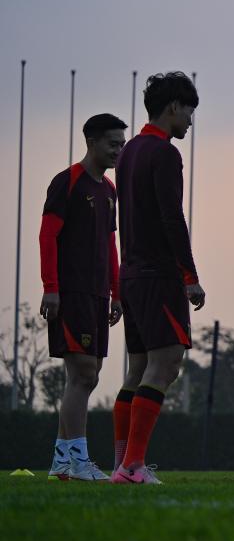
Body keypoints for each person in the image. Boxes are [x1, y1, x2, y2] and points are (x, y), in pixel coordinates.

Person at [110, 73, 205, 485]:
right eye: (189, 111)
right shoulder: (165, 153)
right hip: (158, 276)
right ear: (173, 107)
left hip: (131, 275)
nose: (190, 121)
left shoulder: (129, 150)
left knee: (139, 368)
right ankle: (133, 466)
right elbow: (171, 218)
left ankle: (121, 465)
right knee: (166, 363)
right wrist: (190, 275)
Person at [40, 114, 127, 481]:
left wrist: (116, 293)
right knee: (83, 374)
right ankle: (79, 462)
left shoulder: (109, 190)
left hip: (97, 295)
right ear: (92, 142)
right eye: (113, 144)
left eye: (122, 145)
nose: (118, 151)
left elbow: (110, 243)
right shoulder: (67, 182)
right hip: (71, 293)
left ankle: (61, 463)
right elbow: (47, 236)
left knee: (88, 377)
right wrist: (51, 288)